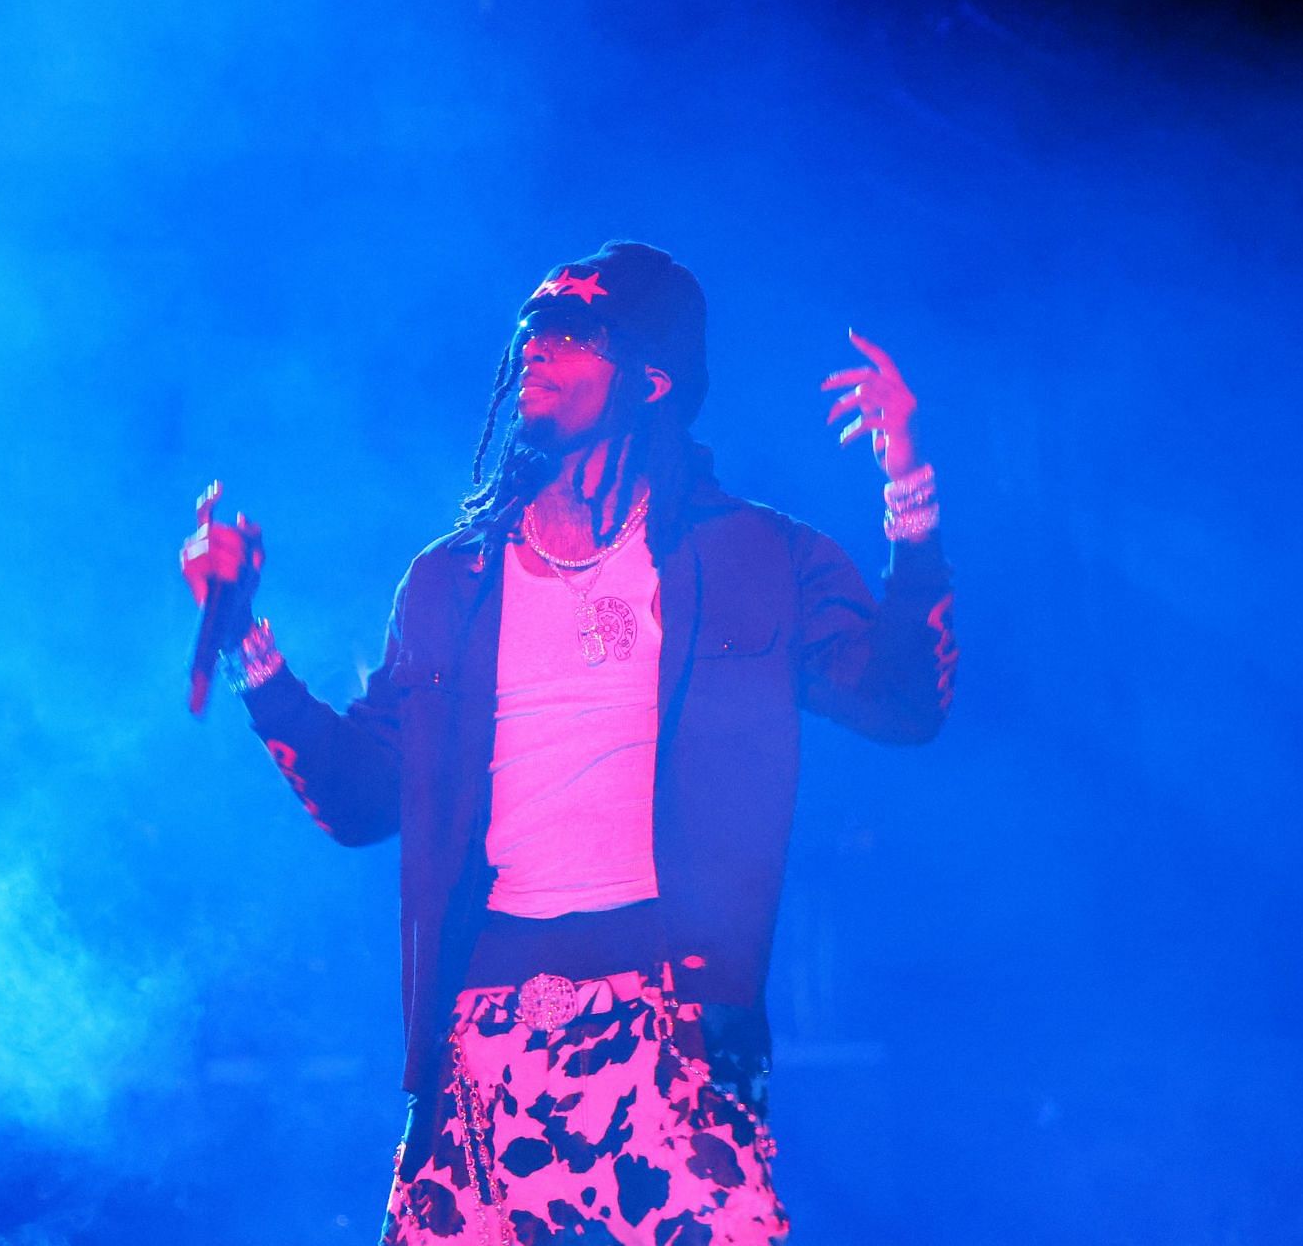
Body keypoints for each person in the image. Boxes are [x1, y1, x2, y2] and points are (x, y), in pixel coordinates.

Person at [179, 241, 956, 1244]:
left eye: (574, 330)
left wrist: (909, 484)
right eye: (532, 328)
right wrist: (245, 634)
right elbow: (363, 801)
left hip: (673, 1030)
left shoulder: (753, 555)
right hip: (484, 1037)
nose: (537, 349)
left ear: (653, 378)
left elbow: (904, 702)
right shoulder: (451, 582)